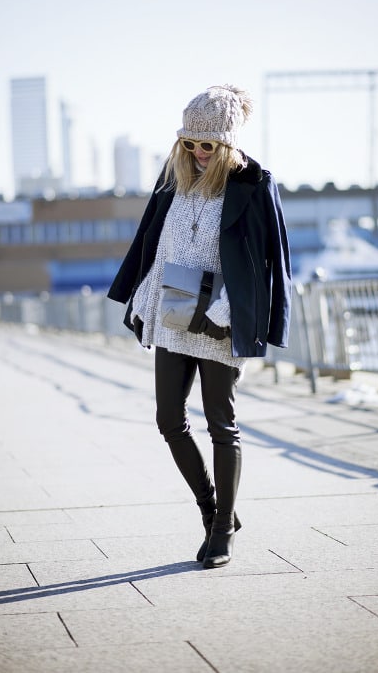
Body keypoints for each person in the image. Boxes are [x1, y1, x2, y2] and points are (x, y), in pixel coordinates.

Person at [108, 85, 292, 568]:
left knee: (221, 425)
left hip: (221, 314)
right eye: (190, 143)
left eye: (208, 145)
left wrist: (238, 313)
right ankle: (214, 511)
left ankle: (221, 533)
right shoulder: (174, 178)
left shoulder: (253, 183)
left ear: (228, 143)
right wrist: (139, 297)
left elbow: (271, 258)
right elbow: (151, 240)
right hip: (175, 303)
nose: (198, 152)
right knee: (169, 419)